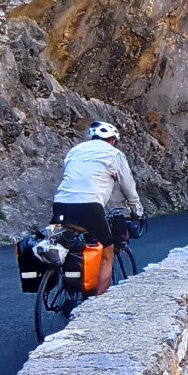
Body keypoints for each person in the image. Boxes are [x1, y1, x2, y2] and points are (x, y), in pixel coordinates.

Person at [51, 121, 144, 296]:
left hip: (60, 205)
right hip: (89, 207)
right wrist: (136, 211)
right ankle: (95, 304)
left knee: (67, 244)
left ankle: (68, 288)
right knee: (106, 253)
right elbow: (128, 188)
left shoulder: (75, 151)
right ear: (112, 140)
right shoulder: (114, 154)